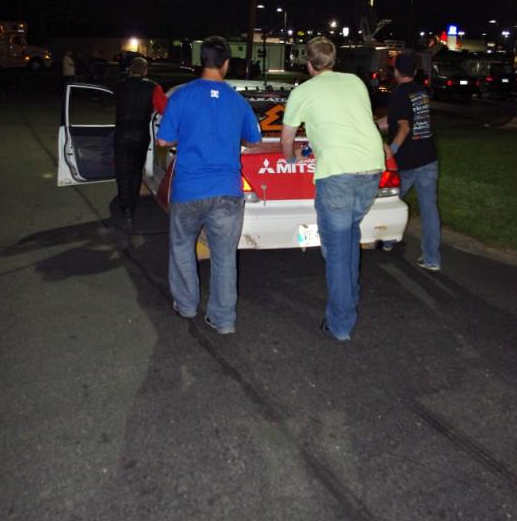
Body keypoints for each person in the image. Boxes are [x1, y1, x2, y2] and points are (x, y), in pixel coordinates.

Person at [281, 36, 384, 342]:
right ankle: (349, 298)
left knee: (337, 251)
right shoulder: (354, 82)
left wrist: (291, 158)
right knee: (349, 237)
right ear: (334, 61)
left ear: (309, 64)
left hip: (338, 174)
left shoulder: (303, 91)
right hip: (371, 168)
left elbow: (287, 139)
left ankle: (341, 323)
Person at [156, 36, 262, 335]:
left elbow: (164, 140)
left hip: (189, 189)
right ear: (226, 63)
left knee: (181, 246)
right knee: (225, 256)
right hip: (227, 190)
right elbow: (253, 141)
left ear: (200, 61)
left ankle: (187, 305)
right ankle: (223, 319)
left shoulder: (182, 96)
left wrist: (188, 136)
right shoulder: (238, 101)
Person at [381, 52, 441, 271]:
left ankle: (387, 240)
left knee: (389, 201)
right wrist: (374, 124)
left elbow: (404, 127)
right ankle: (432, 259)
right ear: (414, 72)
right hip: (428, 157)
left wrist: (391, 150)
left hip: (407, 161)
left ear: (396, 71)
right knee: (429, 209)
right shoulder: (420, 92)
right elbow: (398, 120)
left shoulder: (397, 94)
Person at [114, 56, 167, 227]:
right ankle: (132, 205)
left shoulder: (119, 86)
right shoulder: (153, 87)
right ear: (145, 71)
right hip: (140, 134)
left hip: (121, 134)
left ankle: (125, 208)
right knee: (136, 171)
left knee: (122, 171)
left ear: (130, 69)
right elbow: (164, 109)